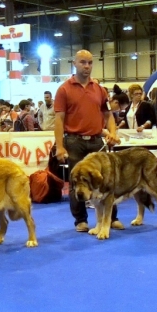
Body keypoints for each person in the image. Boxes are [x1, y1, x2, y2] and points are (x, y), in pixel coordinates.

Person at [54, 49, 123, 232]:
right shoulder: (63, 90)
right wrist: (59, 146)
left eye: (90, 63)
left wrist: (112, 133)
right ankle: (81, 221)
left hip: (96, 143)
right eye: (83, 62)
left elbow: (108, 115)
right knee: (76, 183)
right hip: (74, 142)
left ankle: (112, 218)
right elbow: (59, 120)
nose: (87, 66)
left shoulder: (100, 89)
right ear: (74, 64)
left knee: (108, 181)